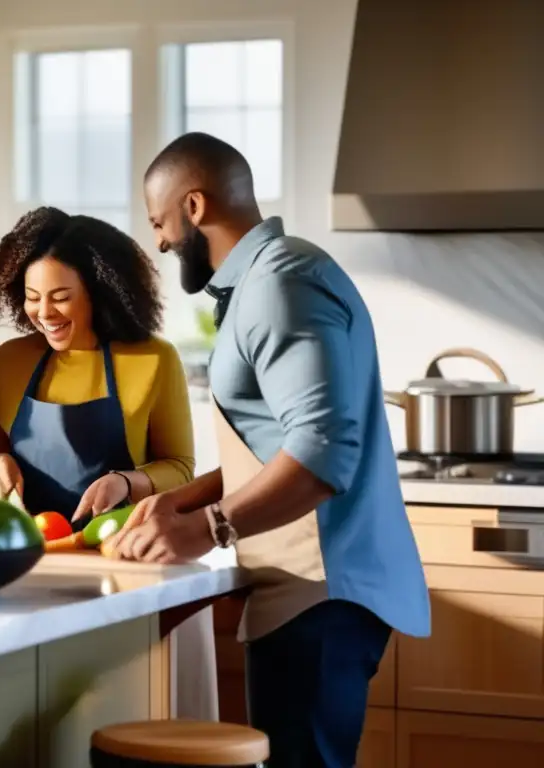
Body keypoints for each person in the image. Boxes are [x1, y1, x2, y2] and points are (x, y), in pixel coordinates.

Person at [104, 132, 430, 767]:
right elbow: (280, 443)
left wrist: (208, 527)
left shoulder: (281, 285)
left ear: (193, 207)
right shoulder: (265, 282)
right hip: (304, 592)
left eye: (159, 222)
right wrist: (179, 500)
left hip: (322, 593)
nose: (162, 242)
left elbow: (322, 453)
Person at [0, 206, 194, 525]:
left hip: (120, 544)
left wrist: (125, 482)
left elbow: (181, 469)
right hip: (29, 547)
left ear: (98, 293)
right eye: (32, 297)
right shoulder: (6, 361)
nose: (44, 313)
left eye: (60, 297)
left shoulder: (154, 359)